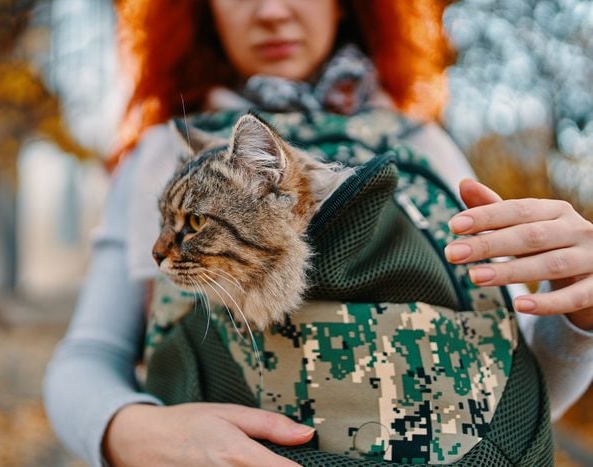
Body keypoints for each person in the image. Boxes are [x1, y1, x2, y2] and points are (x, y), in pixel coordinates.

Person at [43, 1, 593, 466]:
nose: (271, 12)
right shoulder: (165, 152)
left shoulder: (424, 145)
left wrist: (578, 315)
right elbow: (89, 353)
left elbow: (512, 388)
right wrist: (136, 435)